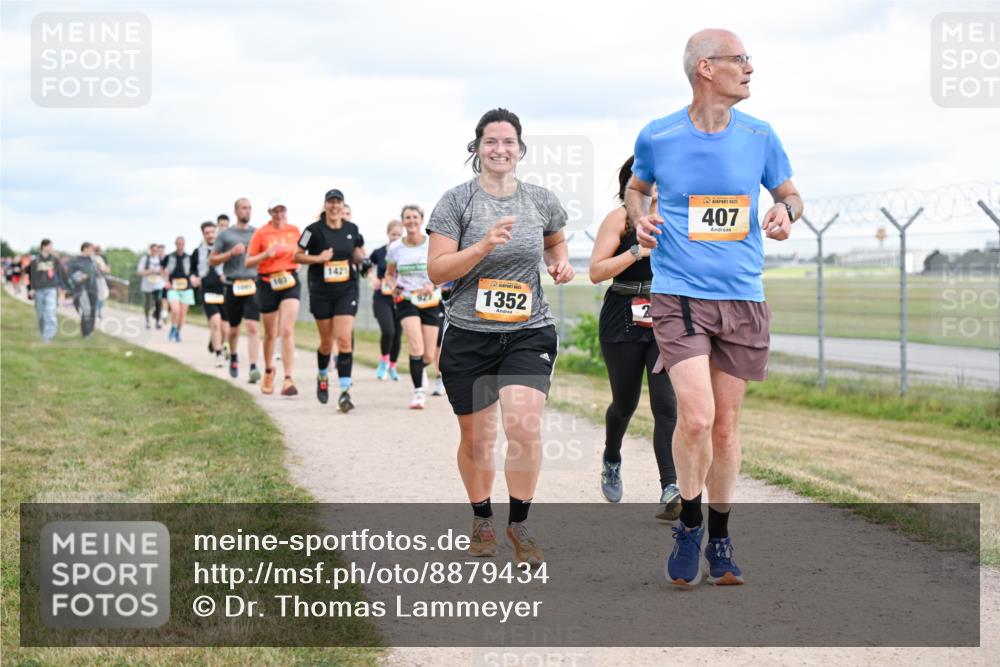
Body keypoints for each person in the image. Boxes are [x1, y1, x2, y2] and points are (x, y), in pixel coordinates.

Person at [632, 29, 802, 586]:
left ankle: (721, 539)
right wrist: (640, 217)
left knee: (726, 430)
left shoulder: (760, 134)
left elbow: (790, 193)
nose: (750, 69)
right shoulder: (658, 135)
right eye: (740, 60)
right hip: (678, 293)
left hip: (742, 295)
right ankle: (689, 522)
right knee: (697, 417)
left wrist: (786, 212)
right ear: (706, 68)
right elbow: (638, 187)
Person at [427, 108, 574, 566]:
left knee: (524, 426)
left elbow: (555, 240)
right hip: (470, 334)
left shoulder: (540, 199)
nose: (500, 149)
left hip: (528, 330)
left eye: (508, 141)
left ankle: (521, 524)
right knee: (477, 440)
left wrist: (560, 262)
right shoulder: (456, 202)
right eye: (491, 141)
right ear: (477, 148)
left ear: (520, 148)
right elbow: (437, 271)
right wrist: (482, 245)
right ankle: (482, 517)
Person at [589, 157, 680, 517]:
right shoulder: (619, 220)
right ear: (630, 185)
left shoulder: (676, 217)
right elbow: (596, 272)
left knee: (666, 404)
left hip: (665, 313)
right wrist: (635, 251)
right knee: (624, 404)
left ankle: (670, 488)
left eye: (659, 178)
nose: (654, 185)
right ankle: (612, 455)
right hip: (622, 313)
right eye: (645, 179)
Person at [295, 189, 368, 410]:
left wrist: (362, 260)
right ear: (325, 205)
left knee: (344, 339)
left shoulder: (351, 229)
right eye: (331, 202)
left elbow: (356, 251)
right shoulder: (312, 230)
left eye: (338, 202)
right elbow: (296, 255)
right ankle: (322, 375)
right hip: (321, 291)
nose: (335, 206)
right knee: (327, 342)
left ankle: (345, 392)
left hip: (346, 289)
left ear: (342, 205)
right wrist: (318, 258)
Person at [386, 204, 444, 409]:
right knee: (416, 345)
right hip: (406, 300)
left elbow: (443, 272)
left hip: (429, 301)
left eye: (415, 217)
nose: (411, 221)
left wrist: (434, 283)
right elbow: (389, 275)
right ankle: (418, 392)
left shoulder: (432, 244)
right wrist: (393, 287)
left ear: (421, 220)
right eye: (407, 217)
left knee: (428, 354)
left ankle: (419, 371)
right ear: (403, 221)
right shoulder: (395, 248)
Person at [245, 197, 302, 396]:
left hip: (289, 281)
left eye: (282, 210)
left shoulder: (294, 231)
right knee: (270, 333)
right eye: (275, 211)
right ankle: (269, 370)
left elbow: (302, 252)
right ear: (270, 213)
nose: (279, 214)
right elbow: (248, 262)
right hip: (267, 282)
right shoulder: (261, 233)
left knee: (286, 329)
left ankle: (288, 378)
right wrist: (266, 254)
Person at [212, 198, 262, 383]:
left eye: (249, 208)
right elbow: (213, 260)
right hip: (233, 284)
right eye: (243, 208)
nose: (247, 211)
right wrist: (230, 253)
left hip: (253, 283)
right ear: (236, 211)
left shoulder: (257, 233)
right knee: (234, 329)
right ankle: (233, 355)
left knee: (253, 326)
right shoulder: (226, 235)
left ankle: (253, 366)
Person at [369, 220, 404, 381]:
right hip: (382, 298)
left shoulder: (406, 252)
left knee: (397, 334)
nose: (396, 237)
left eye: (398, 235)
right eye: (393, 234)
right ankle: (383, 361)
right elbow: (366, 266)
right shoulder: (379, 252)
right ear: (388, 234)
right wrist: (372, 279)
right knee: (388, 330)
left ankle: (392, 366)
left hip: (400, 298)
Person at [194, 221, 227, 367]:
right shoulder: (198, 252)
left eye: (212, 232)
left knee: (225, 328)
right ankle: (219, 353)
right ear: (203, 234)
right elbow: (192, 271)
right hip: (208, 290)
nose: (210, 235)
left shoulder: (224, 250)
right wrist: (193, 278)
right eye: (207, 233)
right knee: (215, 322)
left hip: (224, 290)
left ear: (216, 232)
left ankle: (216, 341)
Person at [28, 238, 67, 342]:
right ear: (44, 246)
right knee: (41, 314)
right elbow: (32, 276)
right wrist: (31, 288)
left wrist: (62, 287)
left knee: (50, 312)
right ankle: (43, 333)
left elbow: (60, 274)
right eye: (49, 246)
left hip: (51, 288)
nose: (51, 248)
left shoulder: (55, 260)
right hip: (39, 289)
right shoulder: (35, 261)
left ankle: (48, 336)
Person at [162, 236, 198, 342]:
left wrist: (194, 278)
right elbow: (162, 269)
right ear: (175, 244)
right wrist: (166, 280)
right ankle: (173, 327)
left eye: (182, 244)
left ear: (184, 244)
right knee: (175, 310)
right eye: (178, 243)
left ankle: (178, 332)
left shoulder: (189, 257)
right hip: (174, 287)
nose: (180, 246)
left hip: (186, 288)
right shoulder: (169, 257)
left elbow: (193, 271)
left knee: (182, 314)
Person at [67, 242, 99, 337]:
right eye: (91, 249)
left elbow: (98, 274)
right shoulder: (75, 261)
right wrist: (80, 276)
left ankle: (91, 330)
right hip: (82, 288)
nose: (92, 251)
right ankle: (86, 332)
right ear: (85, 249)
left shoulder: (92, 261)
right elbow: (70, 275)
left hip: (93, 288)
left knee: (93, 310)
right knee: (86, 310)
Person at [137, 243, 164, 329]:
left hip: (158, 284)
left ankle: (158, 320)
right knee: (147, 303)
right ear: (150, 250)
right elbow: (139, 272)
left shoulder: (161, 259)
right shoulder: (145, 259)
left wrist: (159, 272)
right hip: (147, 285)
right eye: (153, 250)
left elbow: (165, 271)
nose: (155, 252)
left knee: (159, 302)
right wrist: (149, 271)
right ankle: (147, 320)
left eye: (156, 250)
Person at [92, 244, 110, 319]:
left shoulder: (103, 258)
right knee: (99, 296)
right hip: (96, 279)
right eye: (96, 250)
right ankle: (96, 312)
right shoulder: (94, 258)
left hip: (101, 278)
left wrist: (105, 268)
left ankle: (98, 311)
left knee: (102, 296)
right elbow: (104, 269)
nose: (98, 252)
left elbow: (108, 269)